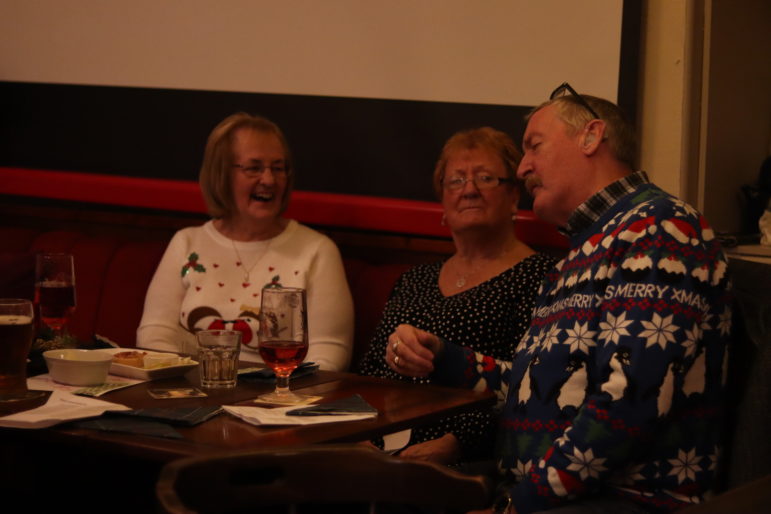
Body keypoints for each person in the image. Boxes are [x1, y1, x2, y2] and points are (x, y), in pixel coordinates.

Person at [386, 86, 731, 513]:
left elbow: (630, 404)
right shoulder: (581, 252)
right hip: (544, 491)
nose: (524, 166)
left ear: (591, 136)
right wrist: (447, 358)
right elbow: (541, 390)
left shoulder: (658, 227)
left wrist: (516, 504)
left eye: (534, 145)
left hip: (626, 499)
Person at [357, 127, 556, 465]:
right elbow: (370, 373)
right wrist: (355, 435)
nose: (470, 190)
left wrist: (460, 443)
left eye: (486, 178)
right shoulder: (414, 280)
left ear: (513, 198)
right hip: (378, 447)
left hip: (471, 456)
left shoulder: (540, 277)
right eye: (456, 180)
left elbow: (531, 389)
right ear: (443, 204)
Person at [137, 113, 354, 371]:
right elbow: (153, 336)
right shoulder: (187, 242)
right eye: (254, 168)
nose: (269, 180)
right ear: (221, 174)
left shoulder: (317, 250)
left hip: (277, 401)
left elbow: (329, 355)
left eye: (278, 168)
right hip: (190, 392)